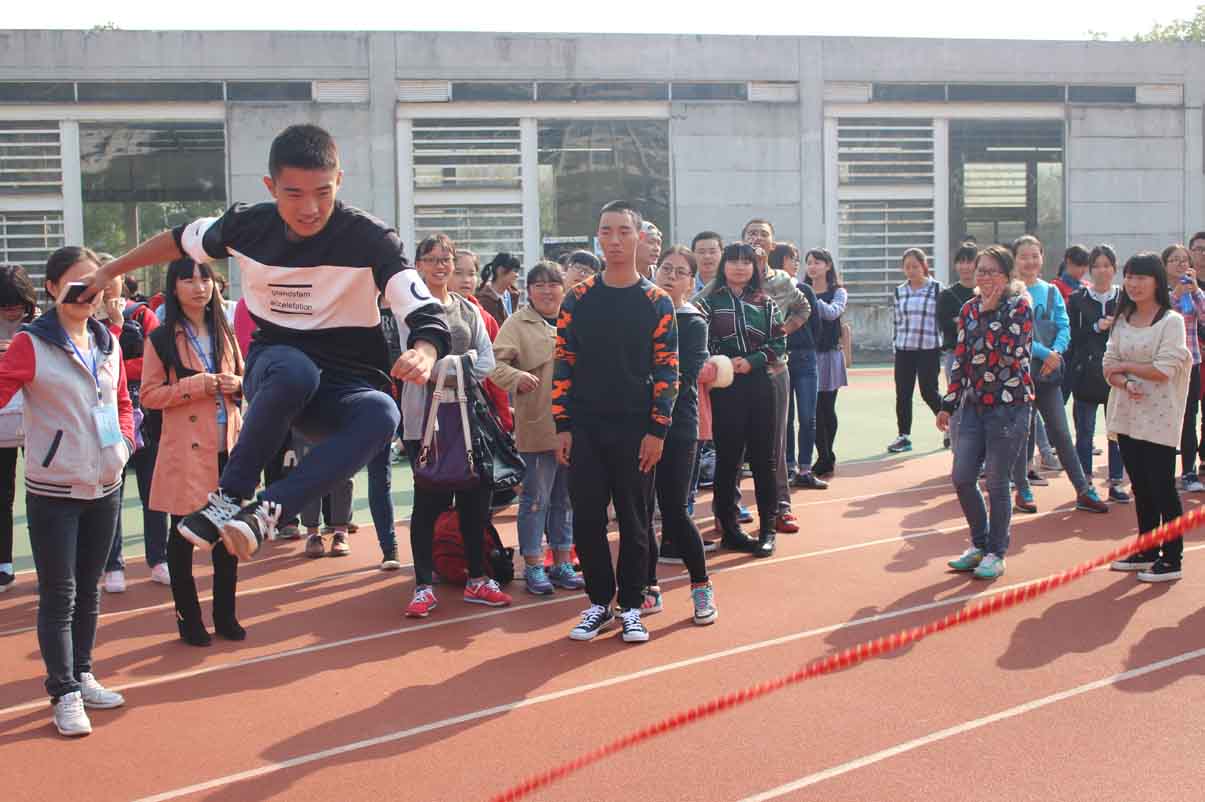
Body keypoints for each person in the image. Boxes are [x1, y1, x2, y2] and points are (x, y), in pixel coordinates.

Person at [82, 124, 449, 562]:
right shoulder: (246, 227)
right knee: (296, 371)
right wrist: (108, 272)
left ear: (339, 181)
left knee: (383, 412)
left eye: (323, 193)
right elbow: (177, 240)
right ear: (271, 187)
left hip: (343, 385)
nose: (310, 209)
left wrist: (425, 351)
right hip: (276, 370)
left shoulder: (370, 238)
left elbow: (419, 305)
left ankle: (266, 512)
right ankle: (228, 497)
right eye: (294, 194)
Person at [0, 246, 132, 736]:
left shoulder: (107, 340)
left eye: (95, 284)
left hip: (105, 483)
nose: (87, 294)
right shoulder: (30, 343)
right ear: (52, 288)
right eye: (76, 284)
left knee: (90, 591)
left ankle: (83, 673)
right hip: (54, 488)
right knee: (60, 594)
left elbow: (122, 402)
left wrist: (124, 445)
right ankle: (63, 691)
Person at [554, 200, 678, 644]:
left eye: (624, 231)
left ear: (639, 237)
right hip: (585, 427)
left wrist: (657, 429)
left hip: (636, 428)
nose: (615, 240)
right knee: (587, 519)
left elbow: (668, 370)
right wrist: (562, 424)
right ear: (598, 238)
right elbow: (563, 361)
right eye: (606, 231)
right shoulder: (578, 298)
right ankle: (598, 603)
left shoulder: (656, 301)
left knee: (635, 520)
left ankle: (631, 606)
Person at [402, 234, 509, 617]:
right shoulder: (408, 311)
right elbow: (409, 362)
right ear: (418, 265)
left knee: (474, 501)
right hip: (424, 422)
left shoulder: (467, 309)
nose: (441, 266)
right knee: (428, 503)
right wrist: (451, 367)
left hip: (469, 421)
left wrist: (449, 367)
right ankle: (423, 585)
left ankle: (477, 578)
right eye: (432, 259)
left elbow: (487, 361)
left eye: (446, 258)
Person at [142, 257, 246, 646]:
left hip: (227, 449)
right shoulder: (161, 338)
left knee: (227, 537)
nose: (199, 287)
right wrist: (197, 385)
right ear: (174, 287)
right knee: (183, 537)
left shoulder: (225, 330)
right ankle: (189, 620)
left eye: (205, 279)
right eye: (188, 280)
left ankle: (225, 616)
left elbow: (245, 377)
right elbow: (149, 396)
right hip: (186, 453)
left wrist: (238, 383)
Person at [938, 245, 1035, 580]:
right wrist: (948, 403)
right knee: (963, 477)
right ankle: (979, 544)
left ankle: (996, 552)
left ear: (1007, 276)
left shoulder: (1019, 306)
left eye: (992, 271)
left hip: (1010, 406)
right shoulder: (968, 308)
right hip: (974, 405)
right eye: (981, 271)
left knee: (997, 482)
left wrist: (992, 314)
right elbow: (962, 358)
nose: (985, 277)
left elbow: (1012, 352)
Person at [491, 262, 584, 595]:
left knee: (566, 500)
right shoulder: (517, 323)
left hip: (575, 427)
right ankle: (533, 564)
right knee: (535, 499)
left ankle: (562, 562)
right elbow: (493, 364)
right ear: (528, 290)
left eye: (553, 284)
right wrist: (516, 377)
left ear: (563, 287)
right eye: (538, 285)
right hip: (538, 426)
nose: (547, 291)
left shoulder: (575, 318)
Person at [1105, 252, 1192, 582]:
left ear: (1156, 281)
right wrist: (1125, 381)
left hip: (1160, 416)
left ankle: (1172, 557)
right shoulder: (1122, 319)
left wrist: (1126, 367)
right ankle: (1147, 548)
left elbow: (1163, 369)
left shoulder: (1171, 322)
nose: (1133, 284)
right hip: (1127, 414)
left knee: (1162, 487)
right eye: (1129, 277)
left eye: (1141, 277)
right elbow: (1108, 365)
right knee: (1140, 486)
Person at [1008, 235, 1109, 516]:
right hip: (1017, 376)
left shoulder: (1051, 291)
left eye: (1035, 255)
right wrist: (1047, 353)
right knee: (1021, 434)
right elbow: (1015, 335)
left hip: (1048, 376)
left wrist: (1057, 352)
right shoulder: (1009, 294)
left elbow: (1064, 326)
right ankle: (1023, 490)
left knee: (1062, 434)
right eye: (1023, 256)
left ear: (1042, 258)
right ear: (1014, 260)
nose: (1030, 261)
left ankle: (1083, 489)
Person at [697, 242, 786, 559]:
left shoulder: (766, 303)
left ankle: (767, 530)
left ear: (754, 267)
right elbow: (700, 342)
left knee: (763, 459)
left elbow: (779, 343)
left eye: (746, 262)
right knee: (728, 460)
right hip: (725, 386)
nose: (739, 267)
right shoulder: (708, 303)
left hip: (760, 383)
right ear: (723, 266)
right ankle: (731, 530)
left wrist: (752, 361)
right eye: (733, 261)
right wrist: (722, 362)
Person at [651, 246, 717, 625]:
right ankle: (647, 588)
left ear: (691, 282)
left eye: (680, 272)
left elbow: (684, 375)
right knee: (639, 513)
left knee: (674, 511)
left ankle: (701, 585)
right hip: (635, 426)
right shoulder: (640, 312)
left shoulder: (692, 322)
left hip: (677, 427)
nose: (670, 276)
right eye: (666, 269)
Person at [97, 266, 170, 593]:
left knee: (153, 491)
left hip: (148, 416)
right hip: (106, 418)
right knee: (111, 492)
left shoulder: (142, 314)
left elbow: (157, 361)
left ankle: (159, 559)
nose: (105, 287)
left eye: (110, 278)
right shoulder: (87, 321)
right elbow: (91, 366)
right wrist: (113, 328)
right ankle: (113, 565)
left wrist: (118, 370)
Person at [741, 221, 810, 534]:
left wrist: (785, 329)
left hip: (775, 368)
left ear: (772, 245)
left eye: (763, 234)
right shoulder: (732, 278)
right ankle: (729, 510)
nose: (757, 238)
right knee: (733, 443)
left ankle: (781, 507)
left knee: (776, 441)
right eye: (751, 233)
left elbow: (803, 307)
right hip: (737, 371)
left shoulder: (782, 280)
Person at [1067, 245, 1129, 503]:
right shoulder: (1077, 299)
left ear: (1114, 268)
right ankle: (1085, 483)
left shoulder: (1125, 297)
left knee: (1117, 431)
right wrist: (1095, 326)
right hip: (1086, 372)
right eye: (1097, 266)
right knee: (1085, 431)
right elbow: (1071, 335)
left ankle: (1116, 481)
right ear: (1089, 270)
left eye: (1107, 265)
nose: (1102, 271)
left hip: (1117, 372)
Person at [0, 264, 39, 593]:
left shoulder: (41, 324)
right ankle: (3, 564)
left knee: (42, 497)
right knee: (2, 495)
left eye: (17, 304)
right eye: (4, 305)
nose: (12, 311)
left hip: (37, 421)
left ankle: (48, 565)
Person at [774, 243, 824, 490]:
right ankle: (789, 467)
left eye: (796, 259)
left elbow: (816, 325)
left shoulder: (804, 289)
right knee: (785, 417)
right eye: (791, 258)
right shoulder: (769, 292)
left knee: (807, 416)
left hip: (805, 358)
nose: (796, 263)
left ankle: (805, 469)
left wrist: (806, 344)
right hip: (779, 358)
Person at [888, 248, 943, 453]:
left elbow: (944, 318)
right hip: (904, 349)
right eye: (907, 267)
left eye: (915, 266)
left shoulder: (937, 289)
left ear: (924, 266)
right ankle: (903, 436)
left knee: (929, 391)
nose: (911, 271)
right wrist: (895, 344)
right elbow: (896, 320)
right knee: (903, 393)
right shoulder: (899, 291)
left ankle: (951, 427)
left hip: (929, 348)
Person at [1160, 243, 1205, 492]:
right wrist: (1176, 294)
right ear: (1164, 265)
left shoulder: (1194, 291)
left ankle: (1189, 472)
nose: (1180, 264)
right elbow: (1161, 316)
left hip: (1191, 363)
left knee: (1189, 418)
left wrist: (1195, 290)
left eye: (1184, 260)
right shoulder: (1159, 292)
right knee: (1165, 418)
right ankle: (1163, 473)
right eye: (1175, 260)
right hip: (1166, 365)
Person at [803, 249, 848, 478]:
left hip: (830, 355)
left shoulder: (838, 292)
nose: (812, 267)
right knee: (813, 411)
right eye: (809, 262)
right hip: (809, 354)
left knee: (827, 408)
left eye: (817, 262)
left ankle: (827, 454)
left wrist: (811, 299)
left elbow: (832, 313)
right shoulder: (801, 290)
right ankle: (824, 456)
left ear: (828, 266)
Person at [937, 242, 979, 448]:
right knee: (956, 400)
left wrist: (961, 320)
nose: (965, 266)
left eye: (969, 261)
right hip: (955, 354)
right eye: (961, 262)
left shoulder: (985, 292)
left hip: (982, 355)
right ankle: (956, 446)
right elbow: (943, 323)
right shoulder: (947, 294)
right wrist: (963, 322)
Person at [477, 252, 521, 324]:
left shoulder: (513, 294)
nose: (517, 275)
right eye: (515, 271)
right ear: (500, 270)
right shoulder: (484, 300)